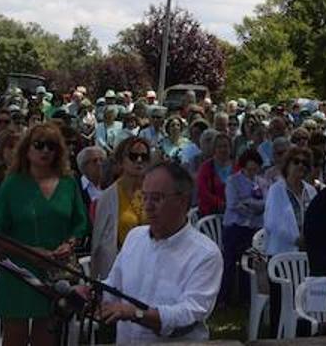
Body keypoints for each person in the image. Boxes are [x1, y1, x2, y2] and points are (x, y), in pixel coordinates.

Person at [0, 122, 90, 346]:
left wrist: (70, 242)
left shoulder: (69, 183)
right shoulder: (13, 184)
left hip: (56, 272)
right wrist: (29, 252)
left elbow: (81, 222)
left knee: (47, 338)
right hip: (19, 272)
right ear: (27, 149)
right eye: (39, 145)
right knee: (15, 339)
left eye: (52, 146)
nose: (46, 151)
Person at [99, 163, 224, 341]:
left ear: (182, 201)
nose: (147, 206)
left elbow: (190, 314)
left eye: (157, 198)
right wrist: (91, 293)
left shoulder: (205, 254)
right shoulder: (135, 237)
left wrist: (136, 314)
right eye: (144, 197)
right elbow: (114, 286)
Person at [264, 146, 317, 337]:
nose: (301, 165)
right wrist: (297, 239)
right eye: (296, 161)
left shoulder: (311, 191)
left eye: (305, 163)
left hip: (306, 256)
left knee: (304, 301)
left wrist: (310, 239)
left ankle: (303, 335)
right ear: (287, 165)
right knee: (282, 303)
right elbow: (272, 223)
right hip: (281, 255)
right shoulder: (276, 190)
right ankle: (278, 337)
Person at [92, 137, 151, 280]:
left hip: (151, 265)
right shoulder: (108, 196)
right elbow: (99, 243)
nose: (139, 160)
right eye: (133, 156)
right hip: (120, 268)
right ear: (121, 161)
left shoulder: (153, 192)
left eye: (144, 157)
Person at [220, 148, 264, 306]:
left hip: (253, 229)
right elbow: (233, 204)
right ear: (243, 167)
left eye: (255, 169)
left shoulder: (261, 182)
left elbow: (264, 204)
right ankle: (223, 299)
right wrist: (254, 209)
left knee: (250, 262)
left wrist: (248, 203)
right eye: (249, 169)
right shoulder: (233, 181)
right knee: (229, 262)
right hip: (234, 227)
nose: (252, 172)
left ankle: (246, 298)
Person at [195, 132, 233, 217]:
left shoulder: (237, 167)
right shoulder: (206, 167)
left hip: (234, 212)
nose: (223, 149)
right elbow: (202, 191)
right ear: (214, 149)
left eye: (226, 146)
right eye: (219, 147)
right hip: (210, 213)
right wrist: (220, 203)